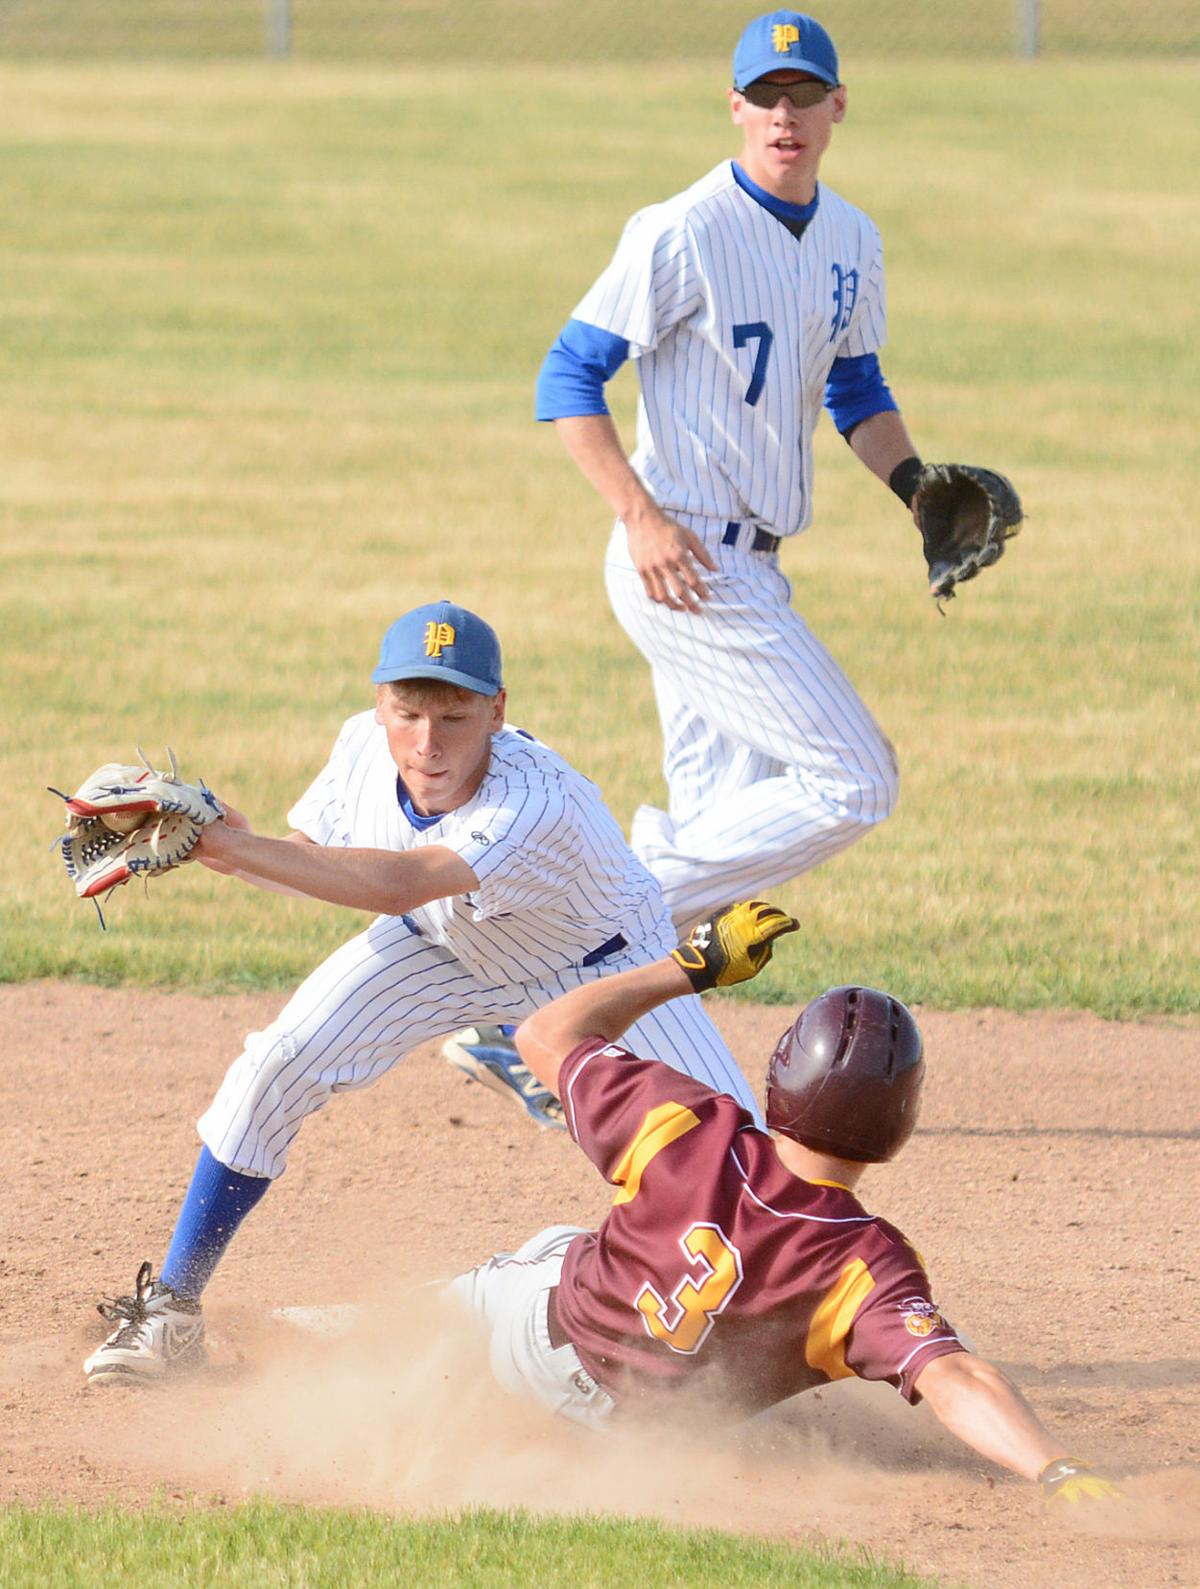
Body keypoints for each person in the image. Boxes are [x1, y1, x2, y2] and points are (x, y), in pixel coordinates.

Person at [82, 601, 764, 1386]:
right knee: (277, 1062)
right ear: (380, 704)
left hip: (599, 967)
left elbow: (401, 882)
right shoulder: (359, 746)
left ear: (497, 711)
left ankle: (742, 1357)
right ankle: (170, 1309)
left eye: (454, 715)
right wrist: (227, 845)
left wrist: (226, 843)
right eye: (407, 713)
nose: (427, 742)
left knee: (735, 1176)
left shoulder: (534, 798)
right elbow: (312, 860)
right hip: (445, 945)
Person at [451, 902, 1121, 1508]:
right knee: (898, 1354)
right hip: (658, 1442)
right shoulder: (868, 1265)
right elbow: (956, 1377)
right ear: (899, 1122)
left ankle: (393, 1331)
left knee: (539, 1257)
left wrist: (689, 968)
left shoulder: (685, 1126)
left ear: (781, 1074)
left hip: (537, 1356)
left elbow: (544, 1034)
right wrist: (1056, 1468)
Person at [533, 10, 962, 929]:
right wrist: (639, 517)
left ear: (838, 105)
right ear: (735, 106)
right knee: (856, 779)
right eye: (766, 95)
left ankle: (595, 990)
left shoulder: (854, 238)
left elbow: (856, 388)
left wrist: (915, 488)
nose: (784, 114)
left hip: (752, 564)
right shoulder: (682, 230)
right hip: (681, 557)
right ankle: (605, 912)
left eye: (803, 93)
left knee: (716, 837)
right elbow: (567, 375)